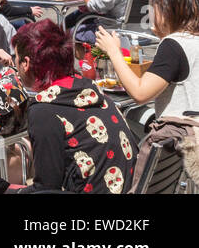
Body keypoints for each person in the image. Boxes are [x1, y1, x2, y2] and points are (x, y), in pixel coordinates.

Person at [14, 21, 136, 194]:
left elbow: (47, 187)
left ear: (25, 63)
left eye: (15, 59)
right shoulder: (95, 92)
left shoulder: (44, 110)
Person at [97, 0, 199, 116]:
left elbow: (140, 94)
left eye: (152, 6)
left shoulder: (173, 45)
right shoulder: (191, 39)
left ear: (165, 10)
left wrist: (114, 51)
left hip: (182, 133)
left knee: (125, 117)